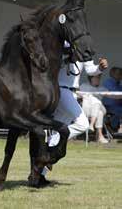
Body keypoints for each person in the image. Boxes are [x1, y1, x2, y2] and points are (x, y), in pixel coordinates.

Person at [39, 41, 108, 185]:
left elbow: (91, 70)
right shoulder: (62, 44)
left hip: (72, 92)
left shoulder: (83, 47)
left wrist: (100, 68)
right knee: (82, 124)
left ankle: (39, 174)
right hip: (61, 90)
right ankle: (52, 150)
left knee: (56, 134)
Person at [80, 74, 108, 143]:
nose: (98, 79)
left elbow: (113, 96)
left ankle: (91, 125)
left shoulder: (103, 88)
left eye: (99, 78)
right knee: (99, 114)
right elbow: (77, 94)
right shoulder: (84, 86)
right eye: (96, 78)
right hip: (87, 109)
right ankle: (99, 136)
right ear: (91, 78)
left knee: (97, 101)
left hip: (101, 108)